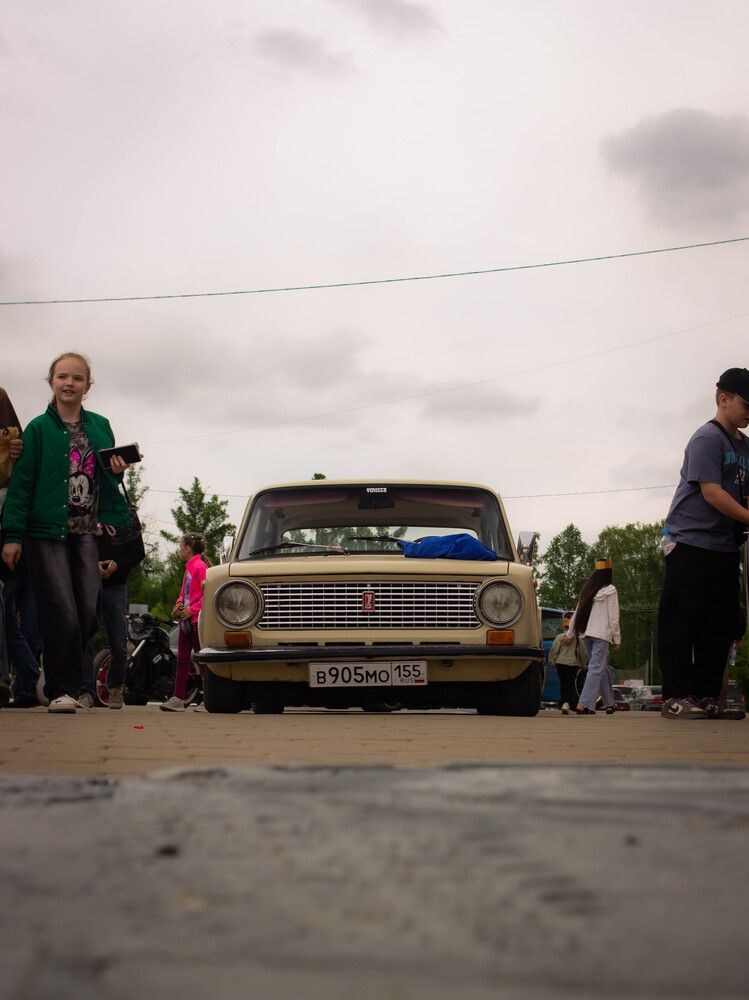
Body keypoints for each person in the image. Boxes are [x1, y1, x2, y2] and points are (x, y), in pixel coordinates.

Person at [1, 353, 131, 713]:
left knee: (88, 612)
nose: (69, 383)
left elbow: (108, 475)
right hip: (45, 533)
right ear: (52, 382)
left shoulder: (101, 426)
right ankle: (62, 689)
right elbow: (22, 485)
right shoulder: (38, 430)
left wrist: (118, 470)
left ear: (87, 386)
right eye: (62, 376)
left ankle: (63, 680)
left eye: (76, 378)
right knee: (61, 610)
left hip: (89, 532)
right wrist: (12, 535)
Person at [658, 368, 749, 720]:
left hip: (724, 547)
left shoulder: (744, 446)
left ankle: (708, 694)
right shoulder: (707, 439)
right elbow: (712, 493)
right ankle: (675, 696)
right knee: (683, 620)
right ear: (722, 399)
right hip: (690, 541)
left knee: (720, 623)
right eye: (745, 403)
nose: (748, 412)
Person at [80, 522, 143, 710]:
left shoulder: (126, 514)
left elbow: (138, 551)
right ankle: (85, 691)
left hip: (116, 585)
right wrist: (91, 564)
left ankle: (115, 687)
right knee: (85, 638)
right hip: (88, 581)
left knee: (118, 641)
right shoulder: (86, 509)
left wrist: (118, 565)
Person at [565, 559, 621, 715]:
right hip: (601, 634)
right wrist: (617, 638)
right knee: (596, 668)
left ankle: (609, 703)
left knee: (600, 667)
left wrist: (570, 633)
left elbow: (577, 613)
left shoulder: (588, 589)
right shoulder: (611, 590)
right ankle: (584, 704)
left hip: (585, 634)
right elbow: (613, 617)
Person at [160, 532, 208, 713]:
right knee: (182, 659)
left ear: (188, 549)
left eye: (180, 547)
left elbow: (207, 594)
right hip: (186, 621)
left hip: (196, 621)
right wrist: (179, 604)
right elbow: (184, 594)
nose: (179, 551)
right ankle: (177, 698)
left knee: (202, 660)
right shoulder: (188, 569)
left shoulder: (200, 566)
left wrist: (192, 610)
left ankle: (208, 698)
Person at [549, 610, 589, 714]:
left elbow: (554, 650)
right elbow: (582, 652)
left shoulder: (559, 637)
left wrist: (552, 661)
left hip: (560, 664)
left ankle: (564, 702)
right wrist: (584, 664)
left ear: (564, 624)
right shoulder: (577, 638)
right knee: (570, 684)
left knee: (563, 684)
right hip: (572, 664)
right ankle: (567, 703)